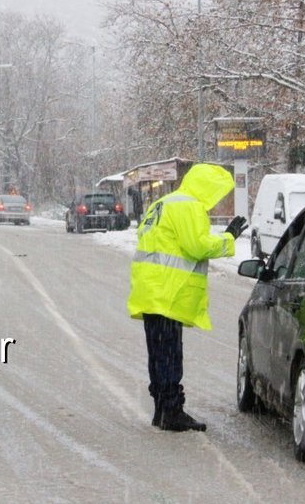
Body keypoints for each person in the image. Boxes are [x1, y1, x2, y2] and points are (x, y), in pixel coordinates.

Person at [127, 163, 248, 432]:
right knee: (170, 355)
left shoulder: (162, 203)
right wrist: (229, 238)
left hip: (151, 290)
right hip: (170, 291)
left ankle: (161, 409)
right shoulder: (188, 206)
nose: (217, 198)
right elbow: (198, 247)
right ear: (207, 186)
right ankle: (171, 411)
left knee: (158, 353)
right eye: (217, 191)